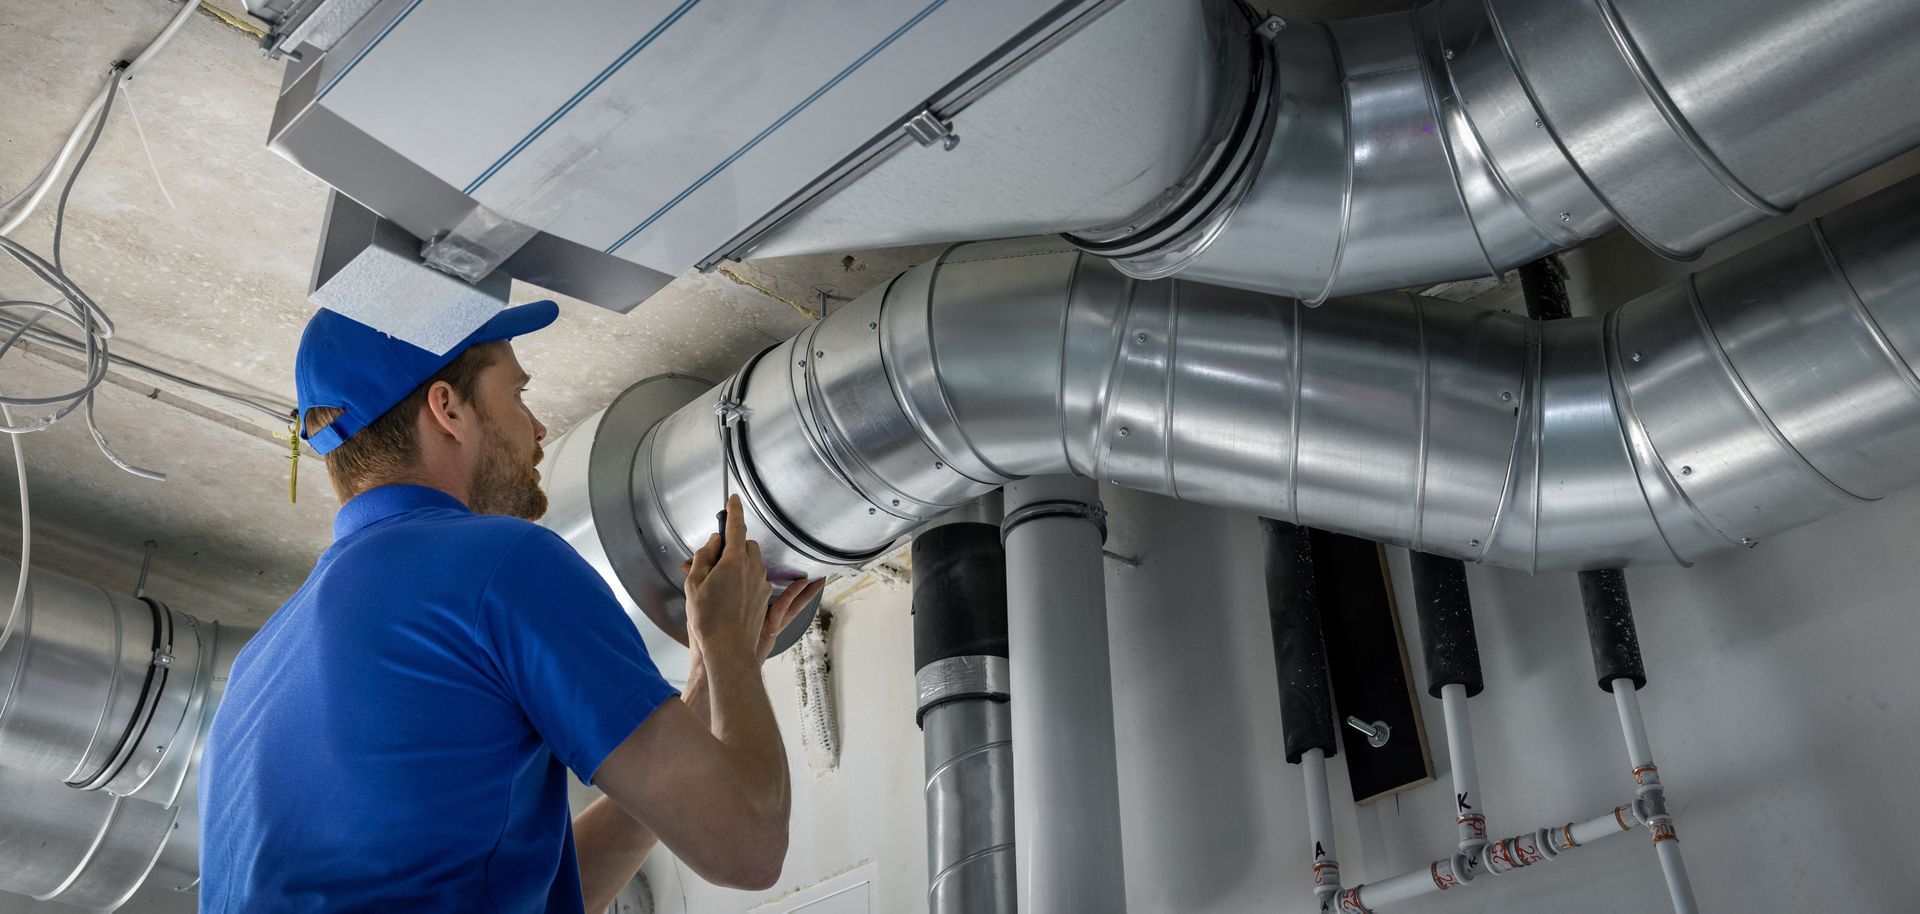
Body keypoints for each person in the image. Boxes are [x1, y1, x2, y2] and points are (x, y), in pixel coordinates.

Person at [199, 301, 823, 912]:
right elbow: (749, 846)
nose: (539, 429)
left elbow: (535, 888)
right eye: (517, 395)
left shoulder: (256, 671)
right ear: (447, 408)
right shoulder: (499, 563)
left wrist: (706, 687)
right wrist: (733, 656)